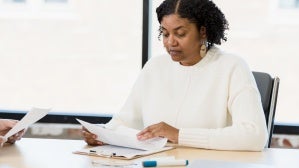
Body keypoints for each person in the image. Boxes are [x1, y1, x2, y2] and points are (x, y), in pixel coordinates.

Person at [82, 0, 268, 151]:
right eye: (165, 33)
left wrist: (178, 135)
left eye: (180, 33)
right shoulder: (155, 67)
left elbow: (254, 135)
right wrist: (101, 134)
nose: (170, 42)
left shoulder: (231, 66)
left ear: (202, 31)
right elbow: (124, 121)